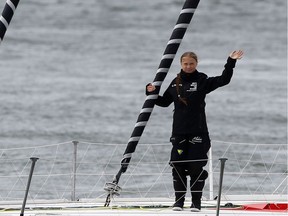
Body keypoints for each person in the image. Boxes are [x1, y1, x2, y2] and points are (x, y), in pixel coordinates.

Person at [146, 50, 244, 212]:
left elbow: (224, 80)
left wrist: (231, 61)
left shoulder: (202, 80)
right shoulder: (174, 83)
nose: (188, 66)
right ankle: (179, 202)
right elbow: (164, 102)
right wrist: (150, 92)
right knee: (177, 167)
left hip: (198, 133)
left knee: (195, 168)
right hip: (178, 133)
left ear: (196, 64)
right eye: (185, 64)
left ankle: (196, 203)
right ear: (181, 64)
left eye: (191, 63)